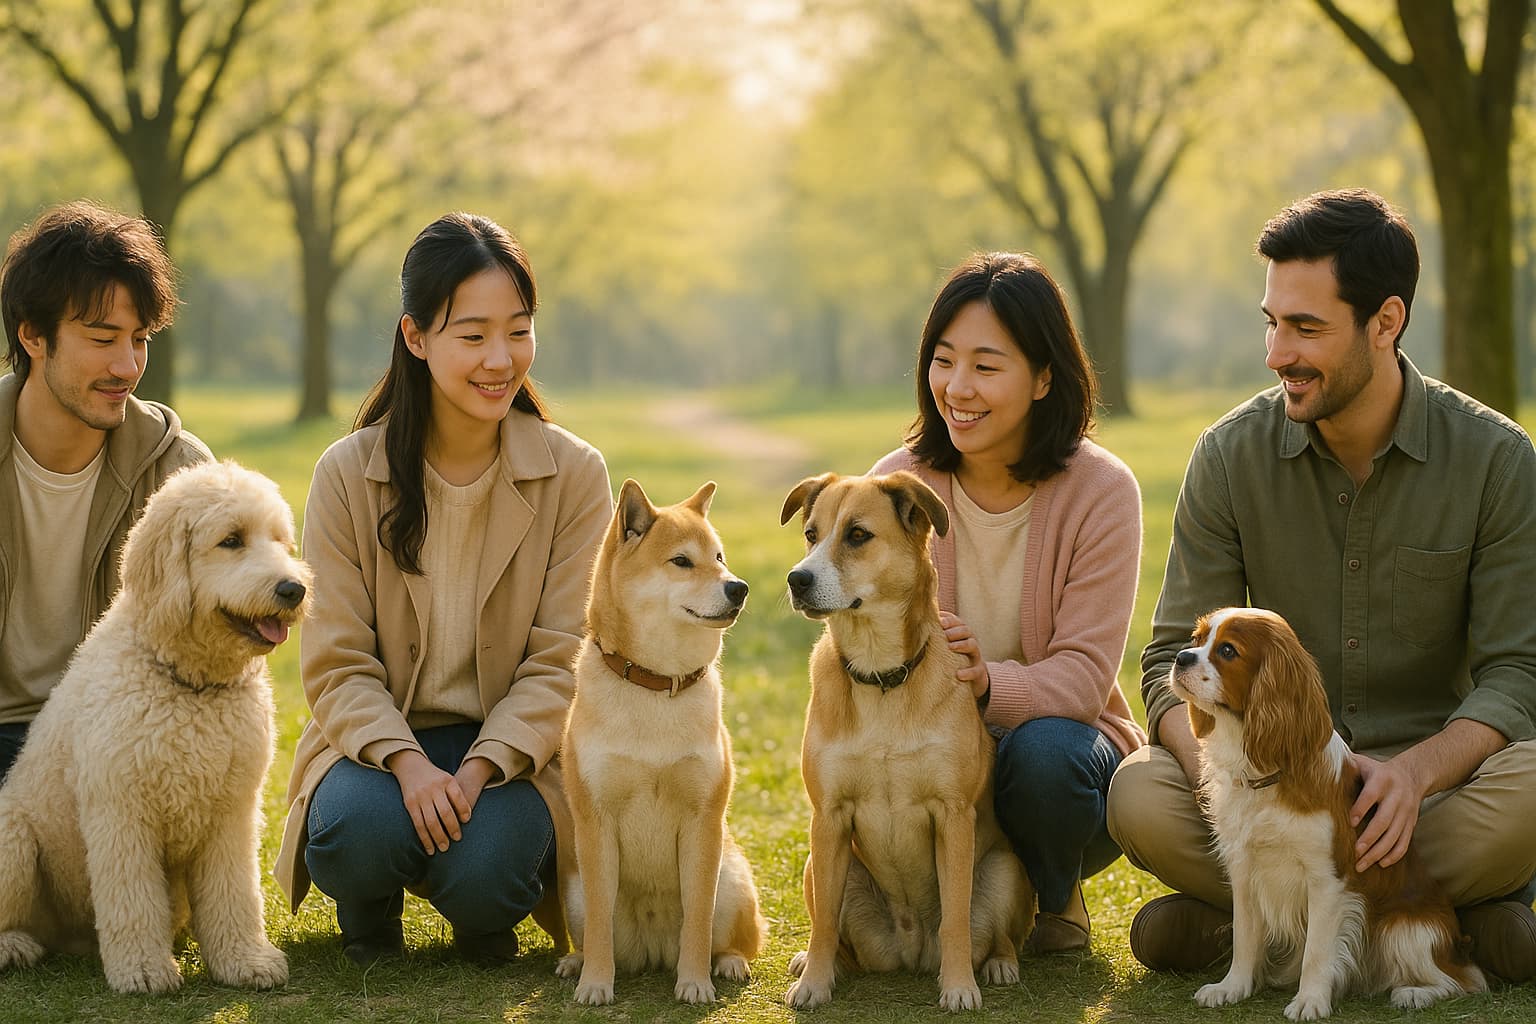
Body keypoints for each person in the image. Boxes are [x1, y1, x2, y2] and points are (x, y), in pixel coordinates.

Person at [1107, 188, 1536, 983]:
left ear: (1386, 323)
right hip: (1260, 789)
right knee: (1136, 796)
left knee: (1532, 792)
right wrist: (1243, 783)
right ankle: (1444, 922)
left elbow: (1520, 673)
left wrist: (1413, 776)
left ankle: (1262, 927)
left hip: (1429, 796)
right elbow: (1170, 658)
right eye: (1272, 323)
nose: (1276, 353)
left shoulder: (1499, 462)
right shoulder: (1227, 459)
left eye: (1306, 328)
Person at [273, 212, 612, 965]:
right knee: (359, 833)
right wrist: (408, 763)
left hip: (511, 748)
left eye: (519, 330)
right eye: (473, 334)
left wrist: (482, 766)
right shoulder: (345, 474)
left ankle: (481, 904)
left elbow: (565, 658)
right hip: (377, 746)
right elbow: (336, 662)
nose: (501, 358)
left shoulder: (577, 476)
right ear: (416, 337)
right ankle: (368, 903)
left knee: (489, 869)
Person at [871, 251, 1145, 954]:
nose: (957, 387)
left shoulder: (1102, 491)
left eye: (987, 367)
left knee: (1043, 755)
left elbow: (1085, 678)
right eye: (943, 360)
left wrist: (986, 681)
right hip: (926, 746)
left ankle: (1052, 899)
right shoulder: (897, 484)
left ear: (1045, 376)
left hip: (1056, 753)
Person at [0, 200, 211, 781]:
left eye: (139, 339)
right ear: (34, 337)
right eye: (102, 338)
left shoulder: (182, 474)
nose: (127, 365)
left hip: (123, 733)